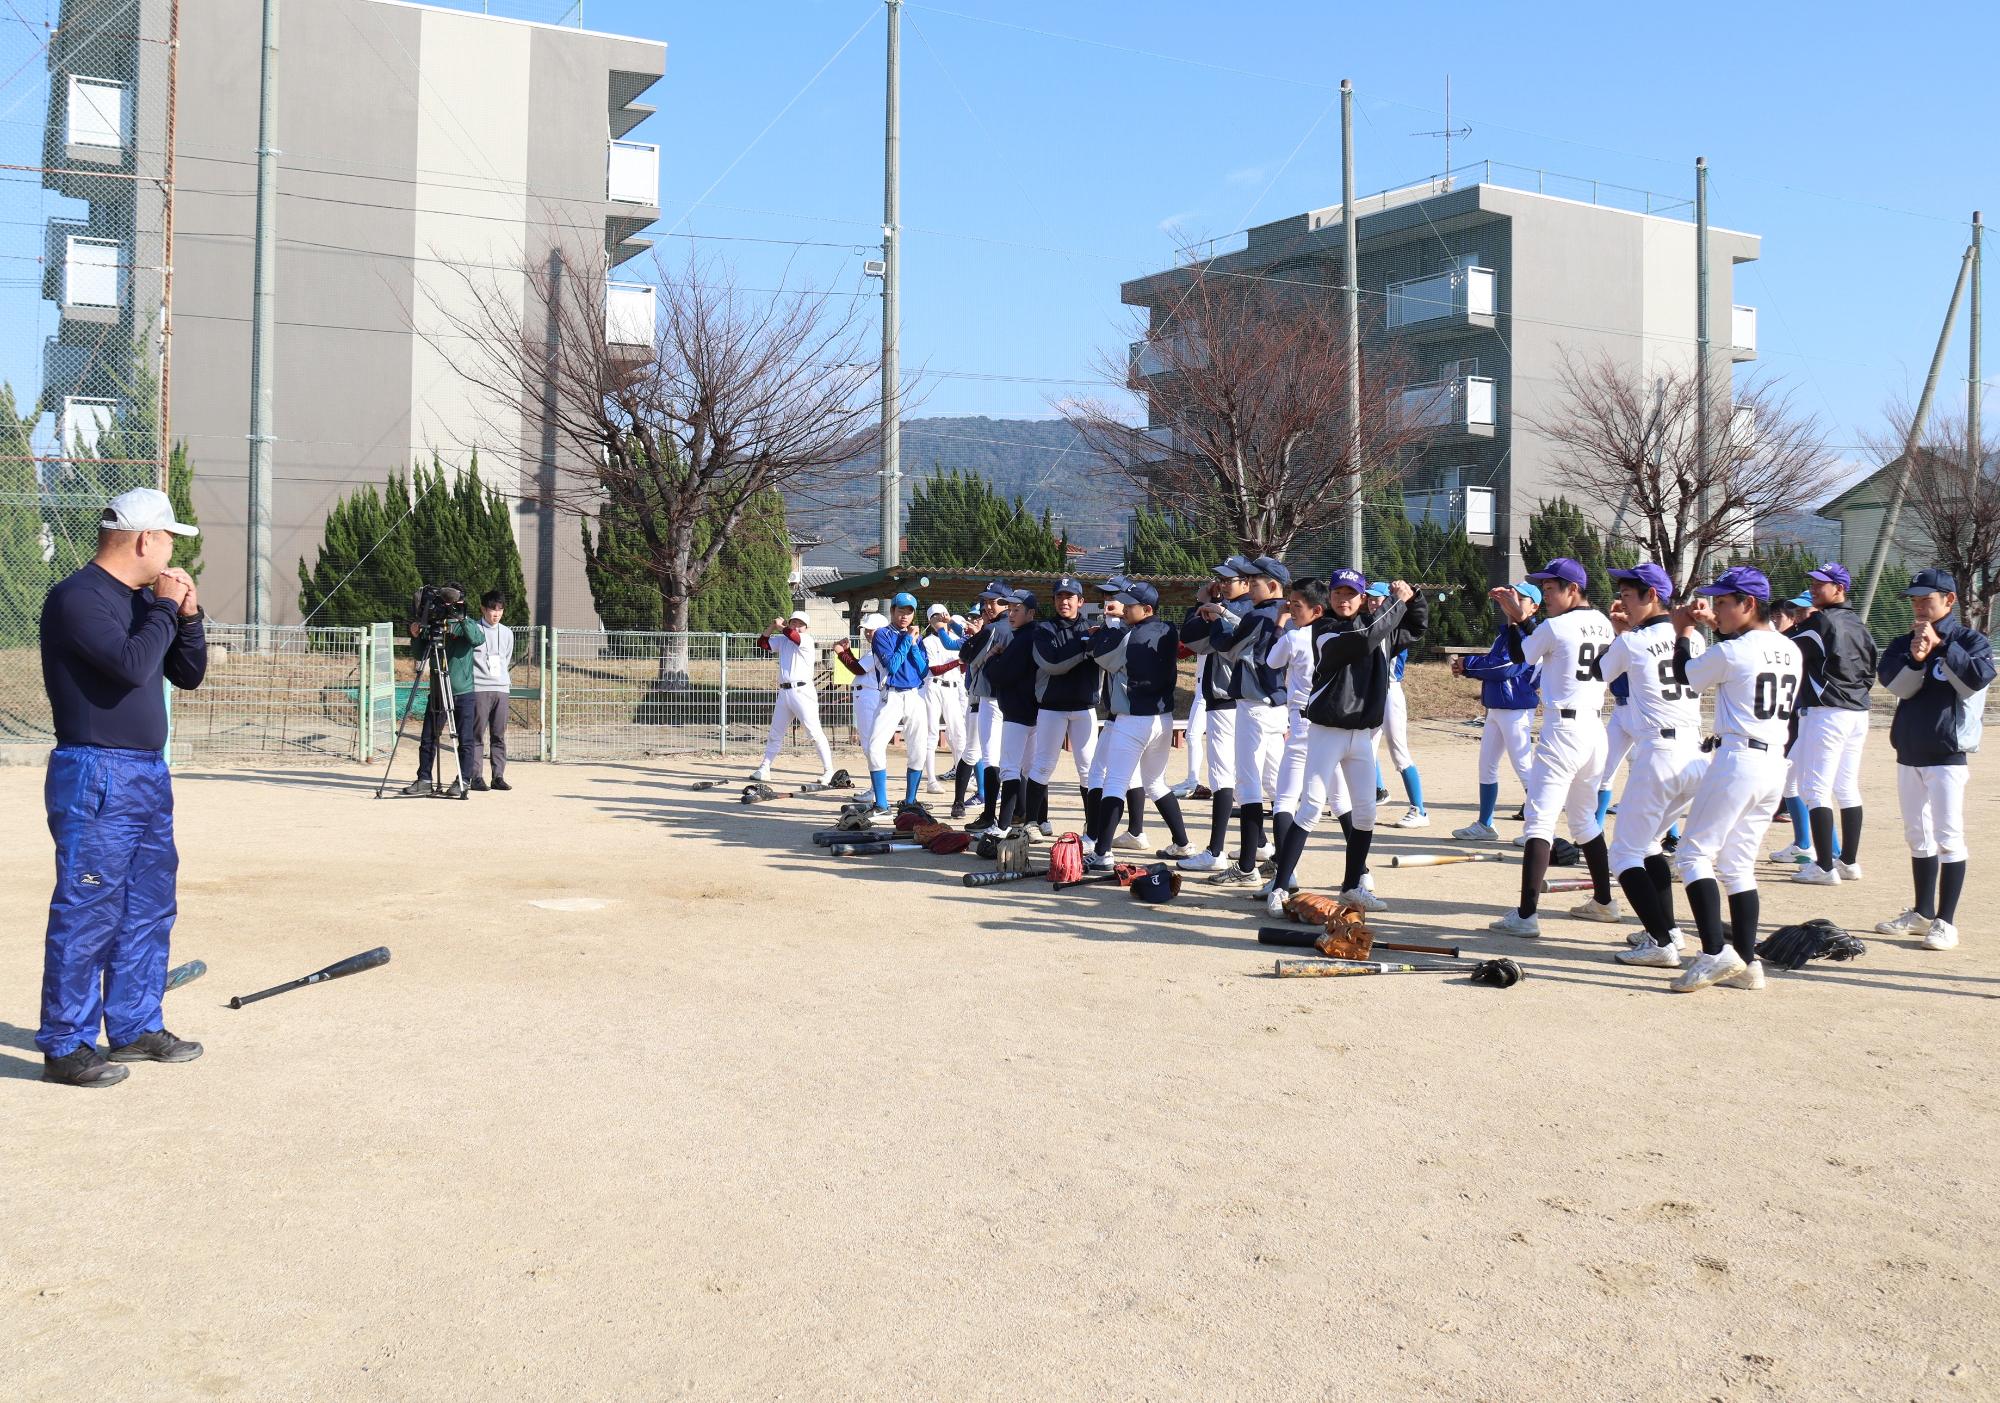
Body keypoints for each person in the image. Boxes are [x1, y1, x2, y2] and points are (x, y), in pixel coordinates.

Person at [36, 487, 208, 1088]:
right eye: (167, 539)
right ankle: (68, 1043)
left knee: (148, 905)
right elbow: (133, 666)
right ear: (143, 539)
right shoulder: (76, 599)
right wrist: (163, 608)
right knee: (89, 909)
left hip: (145, 772)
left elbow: (185, 674)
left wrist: (187, 617)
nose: (170, 552)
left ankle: (134, 1025)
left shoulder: (143, 601)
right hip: (96, 771)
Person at [1661, 567, 1803, 993]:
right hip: (1774, 762)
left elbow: (1686, 675)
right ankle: (1746, 962)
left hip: (1739, 758)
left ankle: (1714, 952)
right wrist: (1713, 626)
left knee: (1692, 854)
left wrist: (1683, 631)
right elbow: (1741, 655)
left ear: (1749, 604)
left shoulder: (1734, 651)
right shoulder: (1788, 647)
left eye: (1725, 602)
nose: (1717, 608)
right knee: (1738, 864)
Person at [1266, 570, 1427, 918]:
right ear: (1329, 599)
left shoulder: (1377, 625)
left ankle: (1352, 885)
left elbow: (1414, 628)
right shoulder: (1325, 631)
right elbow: (1365, 638)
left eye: (1351, 593)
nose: (1344, 599)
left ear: (1362, 596)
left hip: (1362, 735)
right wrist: (1398, 602)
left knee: (1366, 812)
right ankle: (1279, 887)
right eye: (1338, 592)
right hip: (1327, 730)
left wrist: (1413, 597)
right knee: (1310, 807)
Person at [1486, 558, 1620, 939]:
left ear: (1572, 590)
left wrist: (1514, 617)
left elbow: (1520, 654)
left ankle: (1526, 916)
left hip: (1564, 729)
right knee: (1583, 821)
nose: (1545, 596)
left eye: (1550, 589)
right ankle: (1605, 902)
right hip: (1595, 727)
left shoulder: (1556, 625)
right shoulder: (1603, 622)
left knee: (1539, 820)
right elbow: (1538, 642)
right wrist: (1520, 619)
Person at [1873, 569, 1994, 951]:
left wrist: (1943, 646)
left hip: (1947, 753)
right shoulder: (1903, 642)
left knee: (1948, 835)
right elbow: (1898, 687)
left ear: (1950, 600)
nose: (1920, 606)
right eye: (1915, 600)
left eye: (1927, 599)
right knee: (1917, 834)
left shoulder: (1971, 640)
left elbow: (1975, 681)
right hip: (1909, 750)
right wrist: (1917, 657)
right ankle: (1922, 912)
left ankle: (1946, 921)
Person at [1595, 565, 1709, 966]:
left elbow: (1598, 674)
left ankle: (1660, 942)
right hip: (1695, 754)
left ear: (1652, 597)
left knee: (1623, 855)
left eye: (1629, 594)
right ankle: (1669, 930)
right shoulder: (1691, 637)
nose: (1623, 599)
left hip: (1659, 754)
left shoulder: (1634, 640)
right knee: (1648, 846)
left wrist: (1619, 633)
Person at [1084, 583, 1193, 868]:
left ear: (1147, 609)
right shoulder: (1168, 629)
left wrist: (1110, 625)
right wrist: (1122, 620)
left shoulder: (1130, 637)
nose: (1123, 607)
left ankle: (1103, 852)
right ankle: (1182, 843)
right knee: (1155, 782)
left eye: (1129, 605)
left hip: (1132, 720)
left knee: (1115, 783)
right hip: (1163, 719)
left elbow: (1100, 655)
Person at [1202, 555, 1290, 886]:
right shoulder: (1286, 613)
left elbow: (1227, 645)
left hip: (1253, 706)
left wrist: (1217, 617)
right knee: (1276, 784)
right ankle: (1284, 862)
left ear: (1272, 585)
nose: (1250, 587)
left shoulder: (1259, 614)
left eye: (1255, 583)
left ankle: (1247, 865)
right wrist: (1224, 612)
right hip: (1277, 706)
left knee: (1248, 784)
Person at [1789, 561, 1878, 886]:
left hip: (1827, 712)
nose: (1814, 588)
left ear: (1839, 588)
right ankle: (1848, 862)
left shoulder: (1821, 622)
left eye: (1820, 584)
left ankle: (1824, 866)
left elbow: (1788, 650)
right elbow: (1871, 671)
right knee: (1846, 787)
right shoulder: (1859, 624)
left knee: (1815, 789)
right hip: (1857, 712)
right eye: (1812, 582)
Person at [1177, 556, 1255, 872]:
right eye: (1220, 579)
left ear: (1247, 582)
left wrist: (1218, 609)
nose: (1221, 584)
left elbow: (1207, 639)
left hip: (1229, 701)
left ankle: (1216, 851)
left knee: (1224, 777)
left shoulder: (1245, 611)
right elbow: (1189, 634)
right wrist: (1203, 601)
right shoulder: (1234, 608)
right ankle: (1260, 844)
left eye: (1229, 580)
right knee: (1240, 777)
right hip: (1232, 701)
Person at [1452, 581, 1542, 841]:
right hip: (1497, 707)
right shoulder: (1506, 633)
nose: (1513, 602)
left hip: (1516, 709)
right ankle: (1485, 825)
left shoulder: (1531, 636)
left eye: (1520, 599)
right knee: (1487, 767)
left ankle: (1538, 828)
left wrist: (1467, 664)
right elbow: (1494, 666)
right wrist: (1467, 668)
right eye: (1511, 597)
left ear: (1534, 608)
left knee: (1524, 767)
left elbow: (1505, 668)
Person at [1027, 577, 1101, 838]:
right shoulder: (1043, 629)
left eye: (1070, 597)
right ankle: (1031, 823)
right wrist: (1084, 646)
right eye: (1060, 596)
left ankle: (1092, 826)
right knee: (1043, 765)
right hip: (1052, 707)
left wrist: (1093, 639)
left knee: (1088, 769)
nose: (1064, 601)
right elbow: (1052, 662)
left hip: (1084, 707)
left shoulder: (1094, 627)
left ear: (1081, 601)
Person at [402, 585, 485, 799]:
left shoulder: (466, 623)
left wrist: (460, 616)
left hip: (463, 693)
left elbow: (477, 639)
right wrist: (417, 634)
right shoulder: (434, 624)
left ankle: (463, 780)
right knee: (428, 737)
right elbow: (421, 653)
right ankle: (424, 779)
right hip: (438, 690)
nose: (447, 604)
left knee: (465, 739)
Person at [1365, 580, 1429, 828]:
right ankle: (1370, 802)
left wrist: (1410, 598)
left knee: (1399, 752)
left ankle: (1419, 810)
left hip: (1391, 692)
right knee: (1365, 751)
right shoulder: (1367, 623)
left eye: (1377, 598)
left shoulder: (1396, 627)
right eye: (1369, 597)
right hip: (1371, 692)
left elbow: (1416, 621)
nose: (1372, 602)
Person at [861, 591, 932, 813]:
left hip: (914, 695)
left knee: (919, 749)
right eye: (901, 610)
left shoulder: (916, 637)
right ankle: (881, 803)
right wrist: (907, 642)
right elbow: (892, 665)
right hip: (890, 695)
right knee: (874, 747)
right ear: (892, 611)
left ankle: (910, 801)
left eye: (909, 611)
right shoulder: (882, 634)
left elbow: (923, 671)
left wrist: (912, 644)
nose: (905, 615)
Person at [752, 607, 836, 786]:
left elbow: (794, 636)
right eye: (794, 623)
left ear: (807, 628)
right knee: (776, 732)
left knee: (814, 732)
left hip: (803, 691)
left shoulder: (805, 639)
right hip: (784, 692)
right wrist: (773, 627)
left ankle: (829, 771)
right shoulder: (783, 639)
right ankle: (765, 768)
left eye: (801, 624)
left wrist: (782, 626)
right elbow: (763, 644)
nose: (797, 627)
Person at [982, 590, 1044, 834]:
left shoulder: (1022, 639)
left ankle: (1004, 825)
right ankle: (1034, 822)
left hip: (1018, 712)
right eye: (1010, 608)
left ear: (1030, 613)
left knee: (1010, 768)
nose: (1011, 613)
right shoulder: (1031, 635)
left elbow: (999, 675)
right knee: (1032, 770)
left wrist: (990, 658)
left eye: (1018, 609)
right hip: (1035, 713)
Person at [1769, 591, 1820, 863]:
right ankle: (1811, 845)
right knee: (1802, 785)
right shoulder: (1802, 637)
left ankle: (1825, 850)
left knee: (1811, 787)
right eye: (1797, 611)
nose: (1800, 616)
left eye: (1805, 612)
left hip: (1811, 716)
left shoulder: (1808, 639)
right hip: (1802, 714)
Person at [957, 583, 1012, 830]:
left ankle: (990, 815)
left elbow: (965, 655)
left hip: (991, 697)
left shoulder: (993, 627)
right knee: (1016, 760)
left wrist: (980, 644)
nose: (990, 606)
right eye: (987, 602)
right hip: (1015, 700)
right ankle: (1020, 815)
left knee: (990, 758)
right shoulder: (1019, 626)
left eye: (996, 601)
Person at [467, 590, 515, 792]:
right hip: (479, 688)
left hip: (501, 688)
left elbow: (506, 657)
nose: (496, 614)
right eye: (492, 610)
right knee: (477, 734)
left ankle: (498, 776)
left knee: (499, 734)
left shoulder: (506, 633)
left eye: (500, 610)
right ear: (483, 609)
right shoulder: (474, 629)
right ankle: (476, 776)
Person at [921, 603, 969, 803]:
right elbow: (934, 669)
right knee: (932, 733)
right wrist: (957, 662)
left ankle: (963, 775)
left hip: (954, 688)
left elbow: (964, 666)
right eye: (937, 616)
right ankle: (931, 780)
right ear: (931, 621)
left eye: (943, 615)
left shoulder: (956, 639)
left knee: (959, 734)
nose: (941, 618)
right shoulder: (929, 641)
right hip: (934, 686)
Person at [834, 612, 888, 773]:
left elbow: (858, 669)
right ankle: (875, 786)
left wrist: (840, 652)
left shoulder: (879, 649)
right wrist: (847, 651)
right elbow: (860, 667)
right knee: (869, 743)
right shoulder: (875, 648)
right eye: (866, 629)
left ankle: (875, 787)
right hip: (865, 695)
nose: (867, 633)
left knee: (870, 743)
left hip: (870, 695)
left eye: (871, 630)